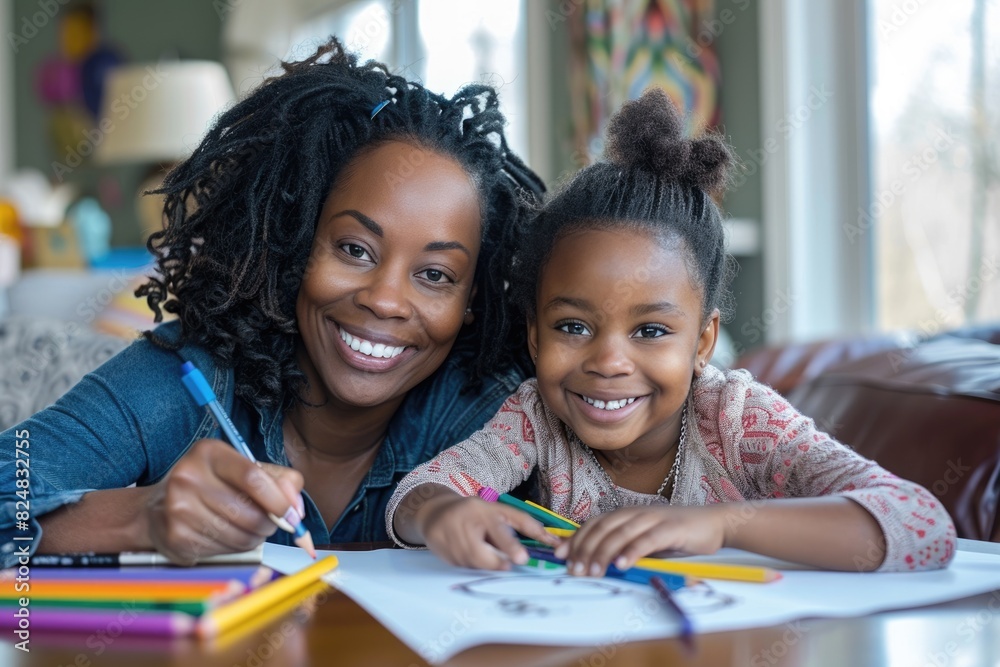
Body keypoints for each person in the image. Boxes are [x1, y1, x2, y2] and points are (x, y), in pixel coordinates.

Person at [0, 38, 544, 568]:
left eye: (434, 274)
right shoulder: (190, 380)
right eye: (355, 249)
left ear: (470, 299)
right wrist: (141, 516)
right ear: (297, 243)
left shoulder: (490, 412)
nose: (384, 300)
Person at [387, 88, 956, 576]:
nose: (609, 361)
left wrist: (721, 526)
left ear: (703, 342)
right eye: (574, 326)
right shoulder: (536, 418)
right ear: (535, 338)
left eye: (652, 330)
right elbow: (422, 492)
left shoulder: (736, 419)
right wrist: (443, 513)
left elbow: (922, 524)